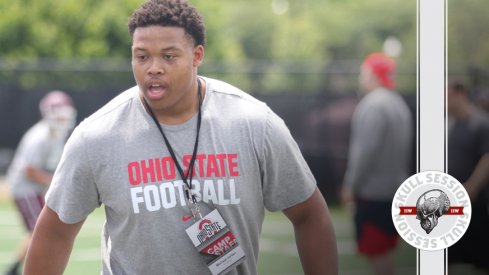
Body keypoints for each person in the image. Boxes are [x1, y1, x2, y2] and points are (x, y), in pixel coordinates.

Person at [23, 0, 338, 274]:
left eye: (169, 56)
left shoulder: (255, 124)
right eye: (142, 56)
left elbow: (309, 214)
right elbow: (55, 233)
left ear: (197, 55)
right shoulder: (96, 136)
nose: (153, 68)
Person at [340, 53, 413, 275]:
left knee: (378, 253)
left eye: (364, 74)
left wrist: (350, 186)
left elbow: (364, 152)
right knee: (385, 252)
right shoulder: (399, 104)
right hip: (395, 190)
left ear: (373, 75)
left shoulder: (373, 105)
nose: (361, 79)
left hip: (373, 193)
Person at [4, 91, 77, 275]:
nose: (61, 118)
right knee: (40, 231)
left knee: (39, 230)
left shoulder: (57, 134)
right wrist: (54, 182)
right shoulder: (40, 136)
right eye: (58, 114)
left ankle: (14, 268)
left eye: (64, 114)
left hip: (35, 189)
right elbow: (28, 169)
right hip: (25, 189)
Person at [446, 79, 489, 274]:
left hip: (476, 205)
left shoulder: (480, 123)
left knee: (479, 260)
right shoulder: (446, 124)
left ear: (460, 93)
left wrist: (472, 187)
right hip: (450, 204)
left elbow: (487, 157)